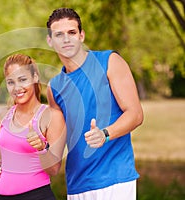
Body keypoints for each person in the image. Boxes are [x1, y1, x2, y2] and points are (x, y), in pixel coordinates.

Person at [46, 8, 144, 200]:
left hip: (116, 179)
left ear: (81, 36)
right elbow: (53, 159)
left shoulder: (109, 61)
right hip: (77, 186)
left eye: (72, 32)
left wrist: (105, 134)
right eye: (59, 35)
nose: (66, 39)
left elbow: (135, 114)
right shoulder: (54, 87)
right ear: (50, 41)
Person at [0, 54, 66, 200]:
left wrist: (42, 148)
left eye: (22, 79)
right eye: (10, 82)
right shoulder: (3, 115)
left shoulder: (52, 116)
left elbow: (54, 169)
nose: (17, 87)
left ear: (35, 77)